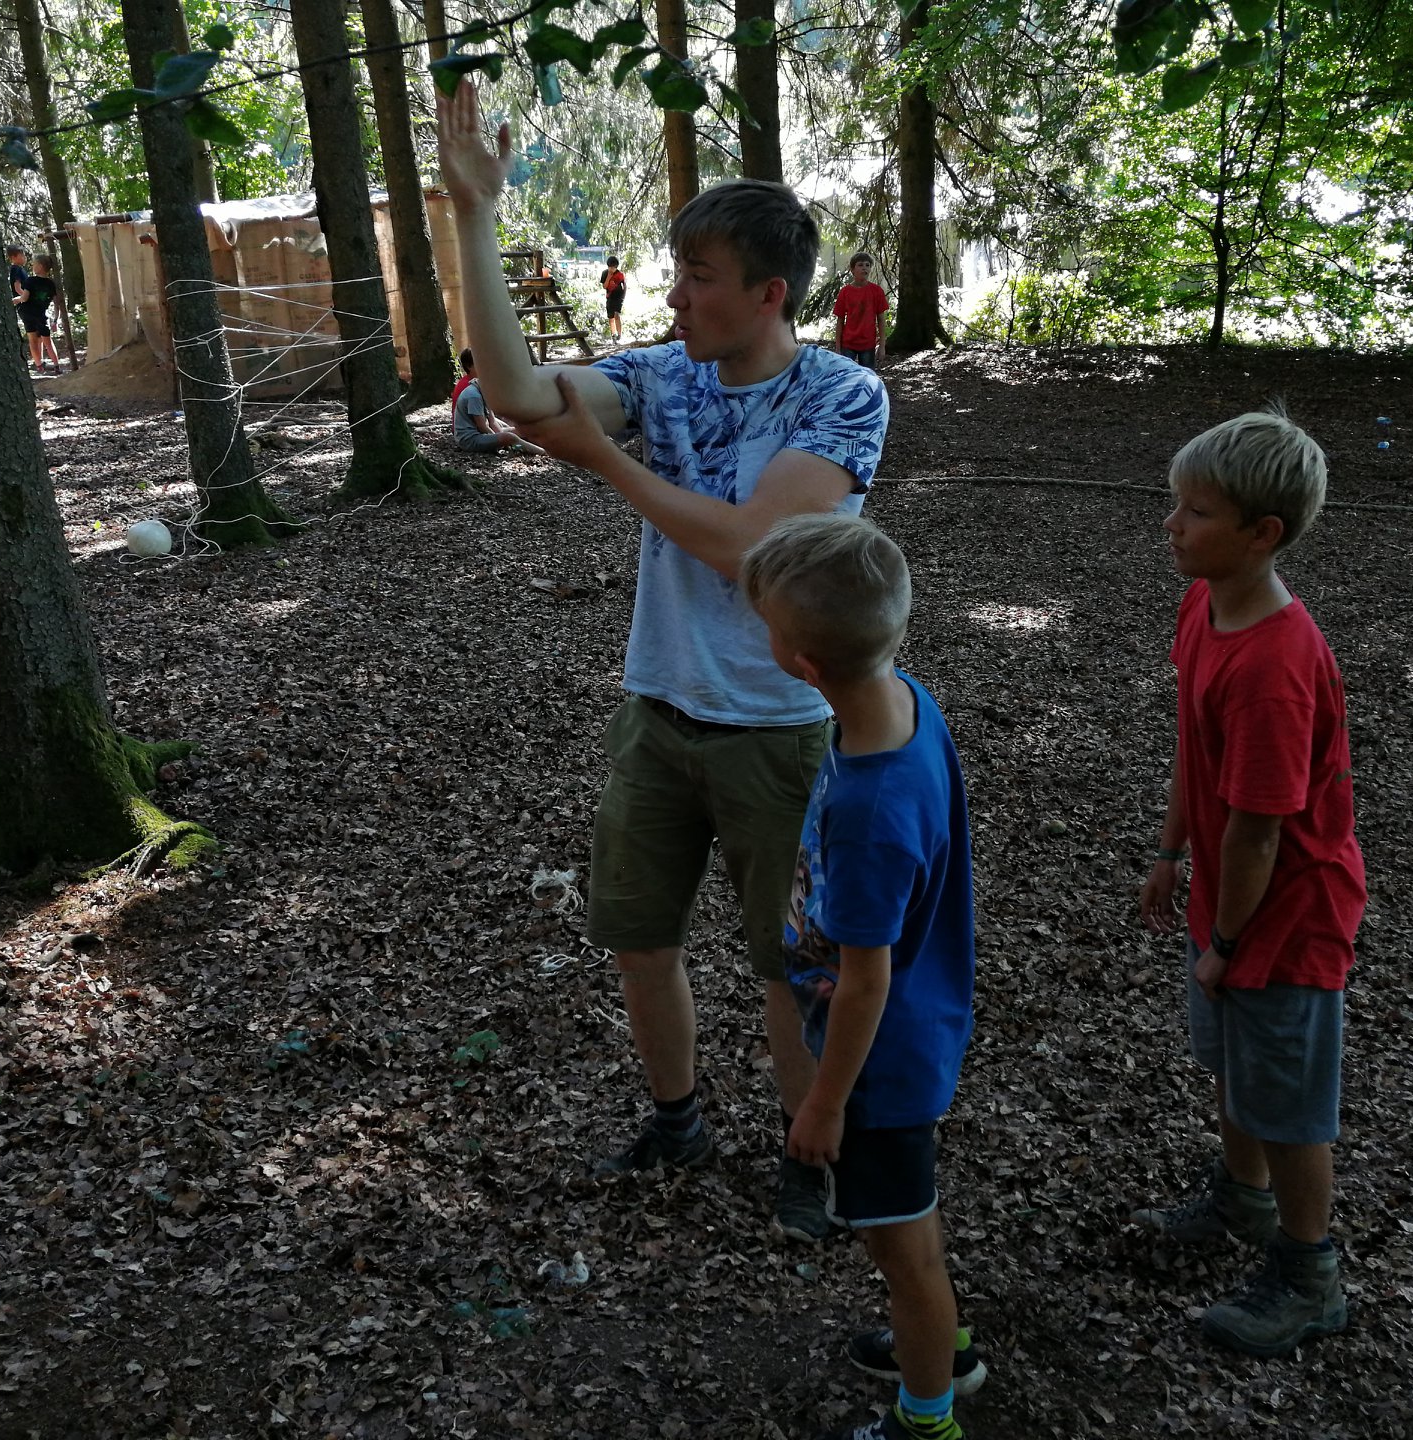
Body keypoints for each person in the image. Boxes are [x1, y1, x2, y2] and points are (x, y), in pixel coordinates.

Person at [435, 78, 889, 1239]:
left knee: (791, 969)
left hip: (780, 727)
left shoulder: (840, 393)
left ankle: (810, 1156)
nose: (675, 294)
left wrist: (607, 469)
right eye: (674, 273)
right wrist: (474, 218)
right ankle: (677, 1117)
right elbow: (519, 391)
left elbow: (755, 548)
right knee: (640, 938)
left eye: (698, 277)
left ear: (767, 294)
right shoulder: (659, 373)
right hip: (660, 708)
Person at [742, 512, 982, 1440]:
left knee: (902, 1248)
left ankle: (927, 1417)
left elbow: (866, 981)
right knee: (909, 1227)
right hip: (909, 1033)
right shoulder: (903, 700)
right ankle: (944, 1347)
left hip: (880, 1068)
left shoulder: (872, 807)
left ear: (799, 660)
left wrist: (824, 1103)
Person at [1134, 410, 1368, 1359]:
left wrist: (1228, 946)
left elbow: (1264, 833)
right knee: (1235, 1067)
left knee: (1286, 1100)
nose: (1172, 525)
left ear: (1262, 534)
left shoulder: (1274, 664)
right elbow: (1197, 755)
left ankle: (1311, 1277)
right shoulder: (1204, 604)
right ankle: (1241, 1202)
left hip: (1286, 915)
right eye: (1175, 504)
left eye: (1196, 512)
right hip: (1226, 899)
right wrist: (1167, 851)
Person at [450, 348, 526, 455]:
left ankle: (526, 441)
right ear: (469, 366)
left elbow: (491, 418)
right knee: (508, 428)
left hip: (481, 420)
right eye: (480, 364)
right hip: (472, 429)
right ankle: (536, 449)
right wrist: (497, 438)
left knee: (514, 426)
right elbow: (481, 425)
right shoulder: (470, 388)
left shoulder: (481, 383)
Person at [833, 253, 889, 370]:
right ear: (852, 270)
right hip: (848, 343)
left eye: (867, 265)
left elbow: (881, 319)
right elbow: (840, 320)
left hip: (868, 343)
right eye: (860, 265)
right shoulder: (845, 292)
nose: (864, 268)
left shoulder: (877, 291)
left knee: (868, 377)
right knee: (846, 375)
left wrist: (882, 345)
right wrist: (838, 347)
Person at [17, 254, 63, 375]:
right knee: (48, 341)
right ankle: (57, 366)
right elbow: (56, 302)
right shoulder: (50, 284)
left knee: (33, 341)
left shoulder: (30, 281)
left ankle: (39, 366)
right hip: (41, 316)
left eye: (35, 264)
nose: (33, 266)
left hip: (28, 314)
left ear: (41, 266)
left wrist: (17, 299)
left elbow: (25, 298)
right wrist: (55, 319)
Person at [600, 253, 627, 341]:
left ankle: (619, 334)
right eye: (610, 267)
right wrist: (609, 276)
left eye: (613, 267)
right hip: (610, 297)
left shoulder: (620, 275)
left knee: (617, 315)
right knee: (610, 317)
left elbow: (624, 286)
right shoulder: (604, 273)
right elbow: (604, 286)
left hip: (618, 298)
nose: (611, 269)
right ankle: (613, 334)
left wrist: (623, 297)